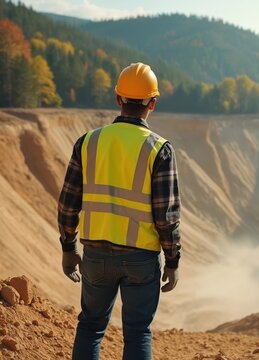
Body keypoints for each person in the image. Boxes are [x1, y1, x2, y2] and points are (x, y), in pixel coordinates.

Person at [57, 62, 181, 360]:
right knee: (138, 332)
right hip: (141, 258)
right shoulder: (159, 149)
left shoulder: (88, 141)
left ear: (118, 99)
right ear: (153, 103)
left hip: (96, 254)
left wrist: (68, 247)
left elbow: (68, 203)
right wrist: (173, 261)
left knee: (90, 327)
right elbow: (167, 216)